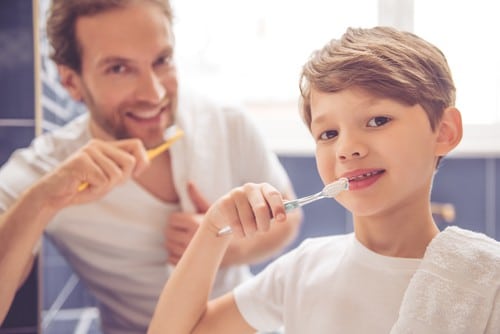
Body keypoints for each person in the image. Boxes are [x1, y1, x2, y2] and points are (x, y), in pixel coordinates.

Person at [147, 26, 500, 334]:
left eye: (377, 121)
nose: (346, 149)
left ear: (444, 131)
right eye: (328, 133)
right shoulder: (303, 270)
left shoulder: (485, 283)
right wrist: (213, 230)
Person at [0, 0, 303, 332]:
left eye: (162, 60)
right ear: (71, 81)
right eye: (119, 69)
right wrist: (44, 200)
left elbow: (290, 217)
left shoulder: (227, 123)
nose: (154, 92)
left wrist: (230, 246)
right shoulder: (46, 171)